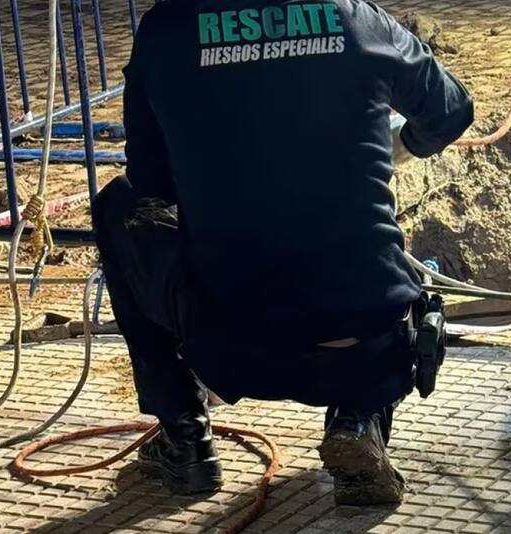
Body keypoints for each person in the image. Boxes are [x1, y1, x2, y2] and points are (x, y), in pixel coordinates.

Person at [92, 0, 473, 505]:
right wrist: (401, 144)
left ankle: (185, 438)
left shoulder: (167, 29)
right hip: (368, 344)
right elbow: (451, 112)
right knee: (370, 259)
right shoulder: (354, 20)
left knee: (116, 207)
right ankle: (358, 419)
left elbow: (151, 184)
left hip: (227, 345)